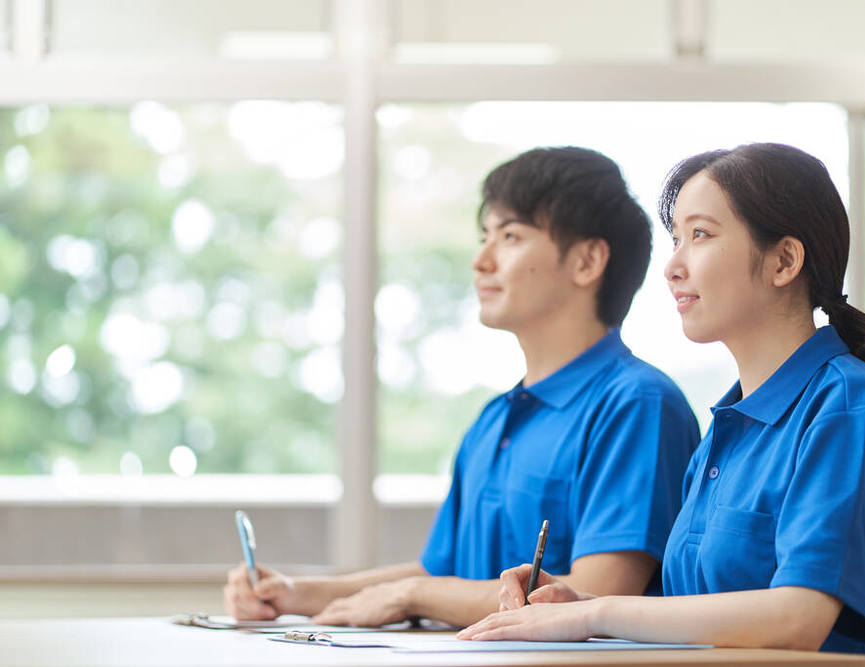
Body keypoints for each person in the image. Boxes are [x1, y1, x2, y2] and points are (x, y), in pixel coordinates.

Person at [459, 143, 865, 667]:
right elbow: (698, 614)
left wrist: (594, 617)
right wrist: (578, 603)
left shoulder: (849, 406)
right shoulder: (727, 428)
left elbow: (798, 618)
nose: (673, 266)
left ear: (784, 260)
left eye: (700, 235)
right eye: (675, 239)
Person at [224, 146, 701, 628]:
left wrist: (415, 595)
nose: (481, 261)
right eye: (483, 237)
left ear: (586, 261)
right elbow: (441, 576)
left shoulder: (637, 404)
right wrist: (297, 593)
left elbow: (598, 593)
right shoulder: (494, 419)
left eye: (510, 236)